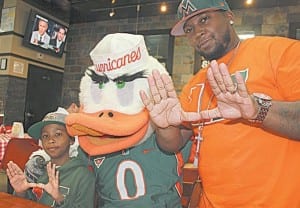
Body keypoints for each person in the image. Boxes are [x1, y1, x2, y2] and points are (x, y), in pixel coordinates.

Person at [139, 0, 300, 207]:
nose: (197, 32)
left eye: (204, 19)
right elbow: (173, 144)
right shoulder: (195, 83)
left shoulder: (278, 51)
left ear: (229, 16)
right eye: (189, 29)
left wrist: (258, 110)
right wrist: (163, 126)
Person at [6, 110, 95, 207]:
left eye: (58, 134)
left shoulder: (84, 176)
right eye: (45, 136)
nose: (50, 140)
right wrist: (21, 192)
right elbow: (33, 202)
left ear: (71, 139)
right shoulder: (41, 169)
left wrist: (59, 198)